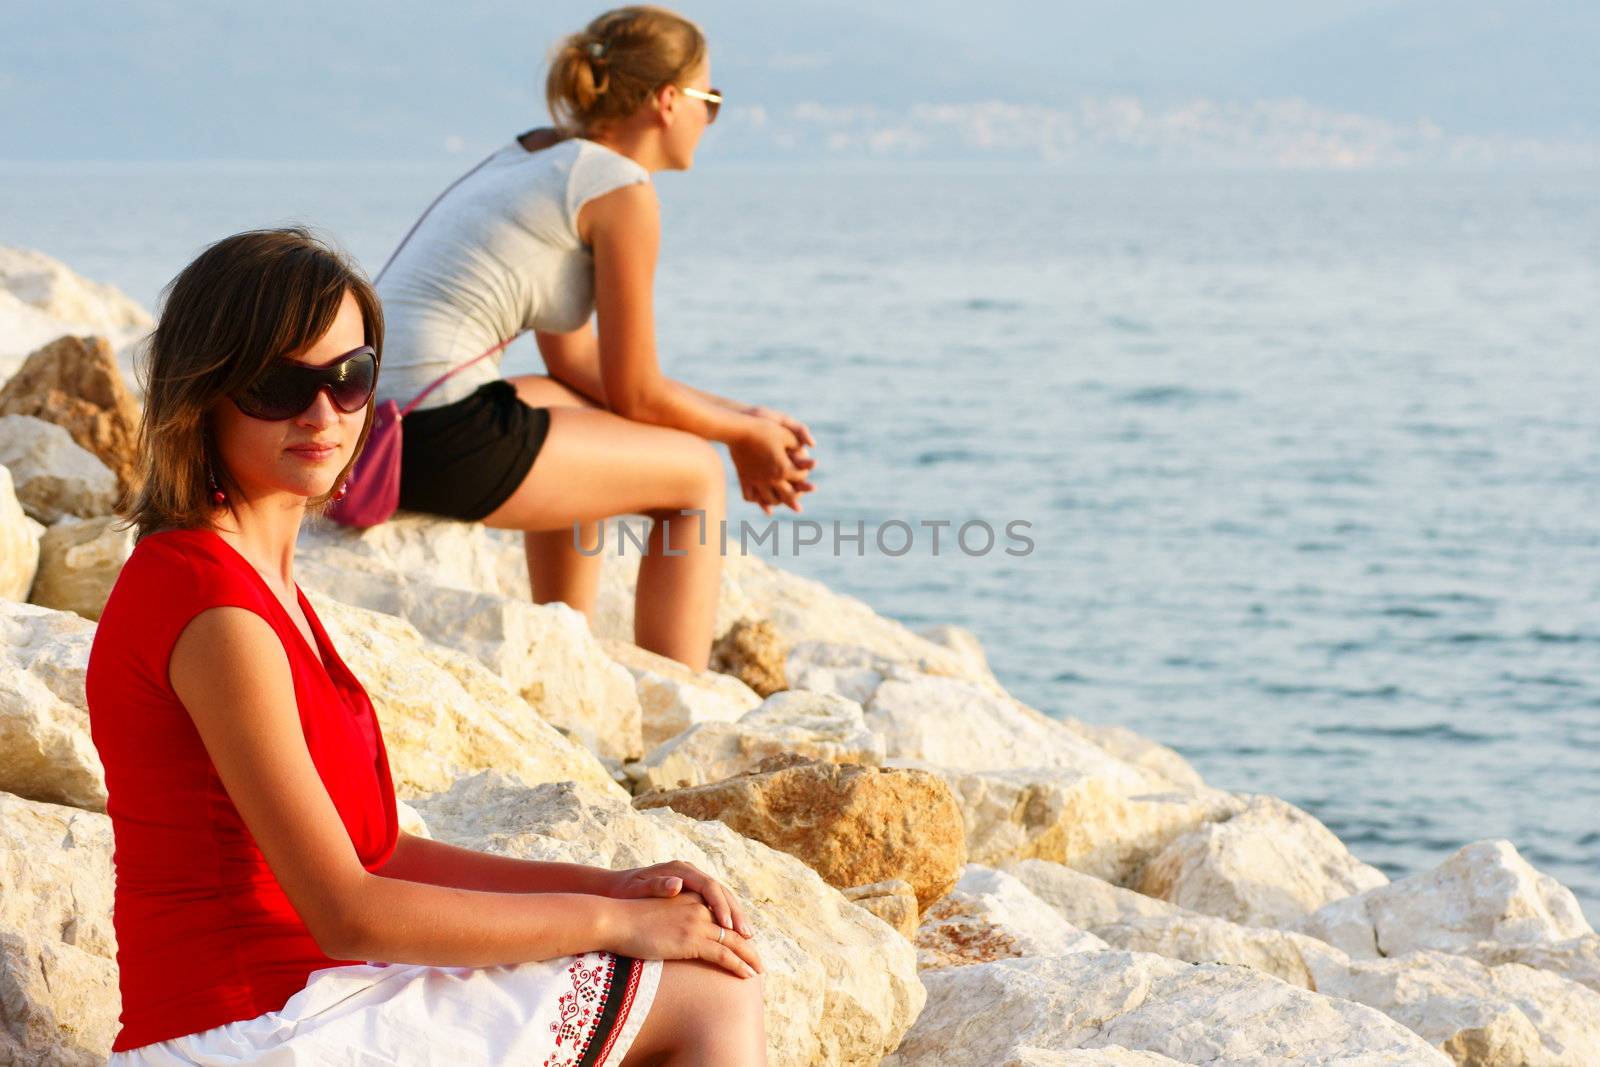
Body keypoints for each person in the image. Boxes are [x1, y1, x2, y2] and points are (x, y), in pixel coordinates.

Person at [88, 227, 767, 1065]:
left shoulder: (257, 583)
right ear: (205, 392)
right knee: (708, 996)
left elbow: (380, 852)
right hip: (250, 1030)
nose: (323, 414)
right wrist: (617, 921)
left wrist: (614, 884)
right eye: (276, 385)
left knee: (702, 971)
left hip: (307, 998)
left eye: (350, 379)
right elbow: (349, 909)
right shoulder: (214, 610)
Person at [374, 4, 815, 671]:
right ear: (669, 102)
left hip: (373, 422)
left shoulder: (538, 152)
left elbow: (577, 363)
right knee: (695, 475)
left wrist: (745, 415)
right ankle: (679, 700)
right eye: (711, 99)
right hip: (433, 438)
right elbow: (637, 391)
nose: (711, 117)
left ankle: (568, 651)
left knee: (573, 406)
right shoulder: (621, 190)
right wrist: (739, 438)